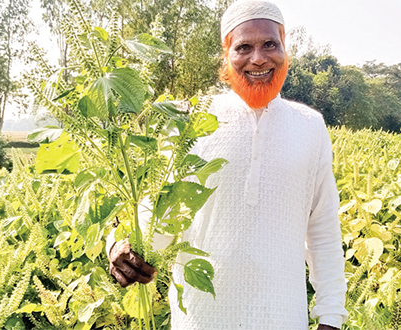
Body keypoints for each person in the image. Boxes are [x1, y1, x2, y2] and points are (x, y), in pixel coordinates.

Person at [107, 1, 348, 329]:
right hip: (200, 320)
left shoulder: (310, 127)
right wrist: (120, 248)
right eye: (244, 47)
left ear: (285, 49)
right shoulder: (189, 120)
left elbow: (322, 231)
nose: (258, 58)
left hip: (282, 318)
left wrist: (331, 315)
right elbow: (153, 209)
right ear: (226, 55)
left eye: (269, 45)